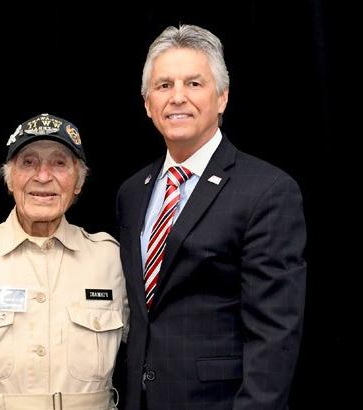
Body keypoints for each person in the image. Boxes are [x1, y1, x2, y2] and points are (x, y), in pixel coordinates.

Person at [116, 25, 306, 409]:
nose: (178, 97)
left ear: (222, 97)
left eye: (194, 83)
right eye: (164, 85)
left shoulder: (267, 190)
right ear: (147, 102)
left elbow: (275, 333)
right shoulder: (133, 192)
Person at [0, 113, 128, 409]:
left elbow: (149, 356)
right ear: (10, 179)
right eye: (28, 162)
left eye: (59, 163)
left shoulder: (111, 259)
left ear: (78, 181)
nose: (42, 176)